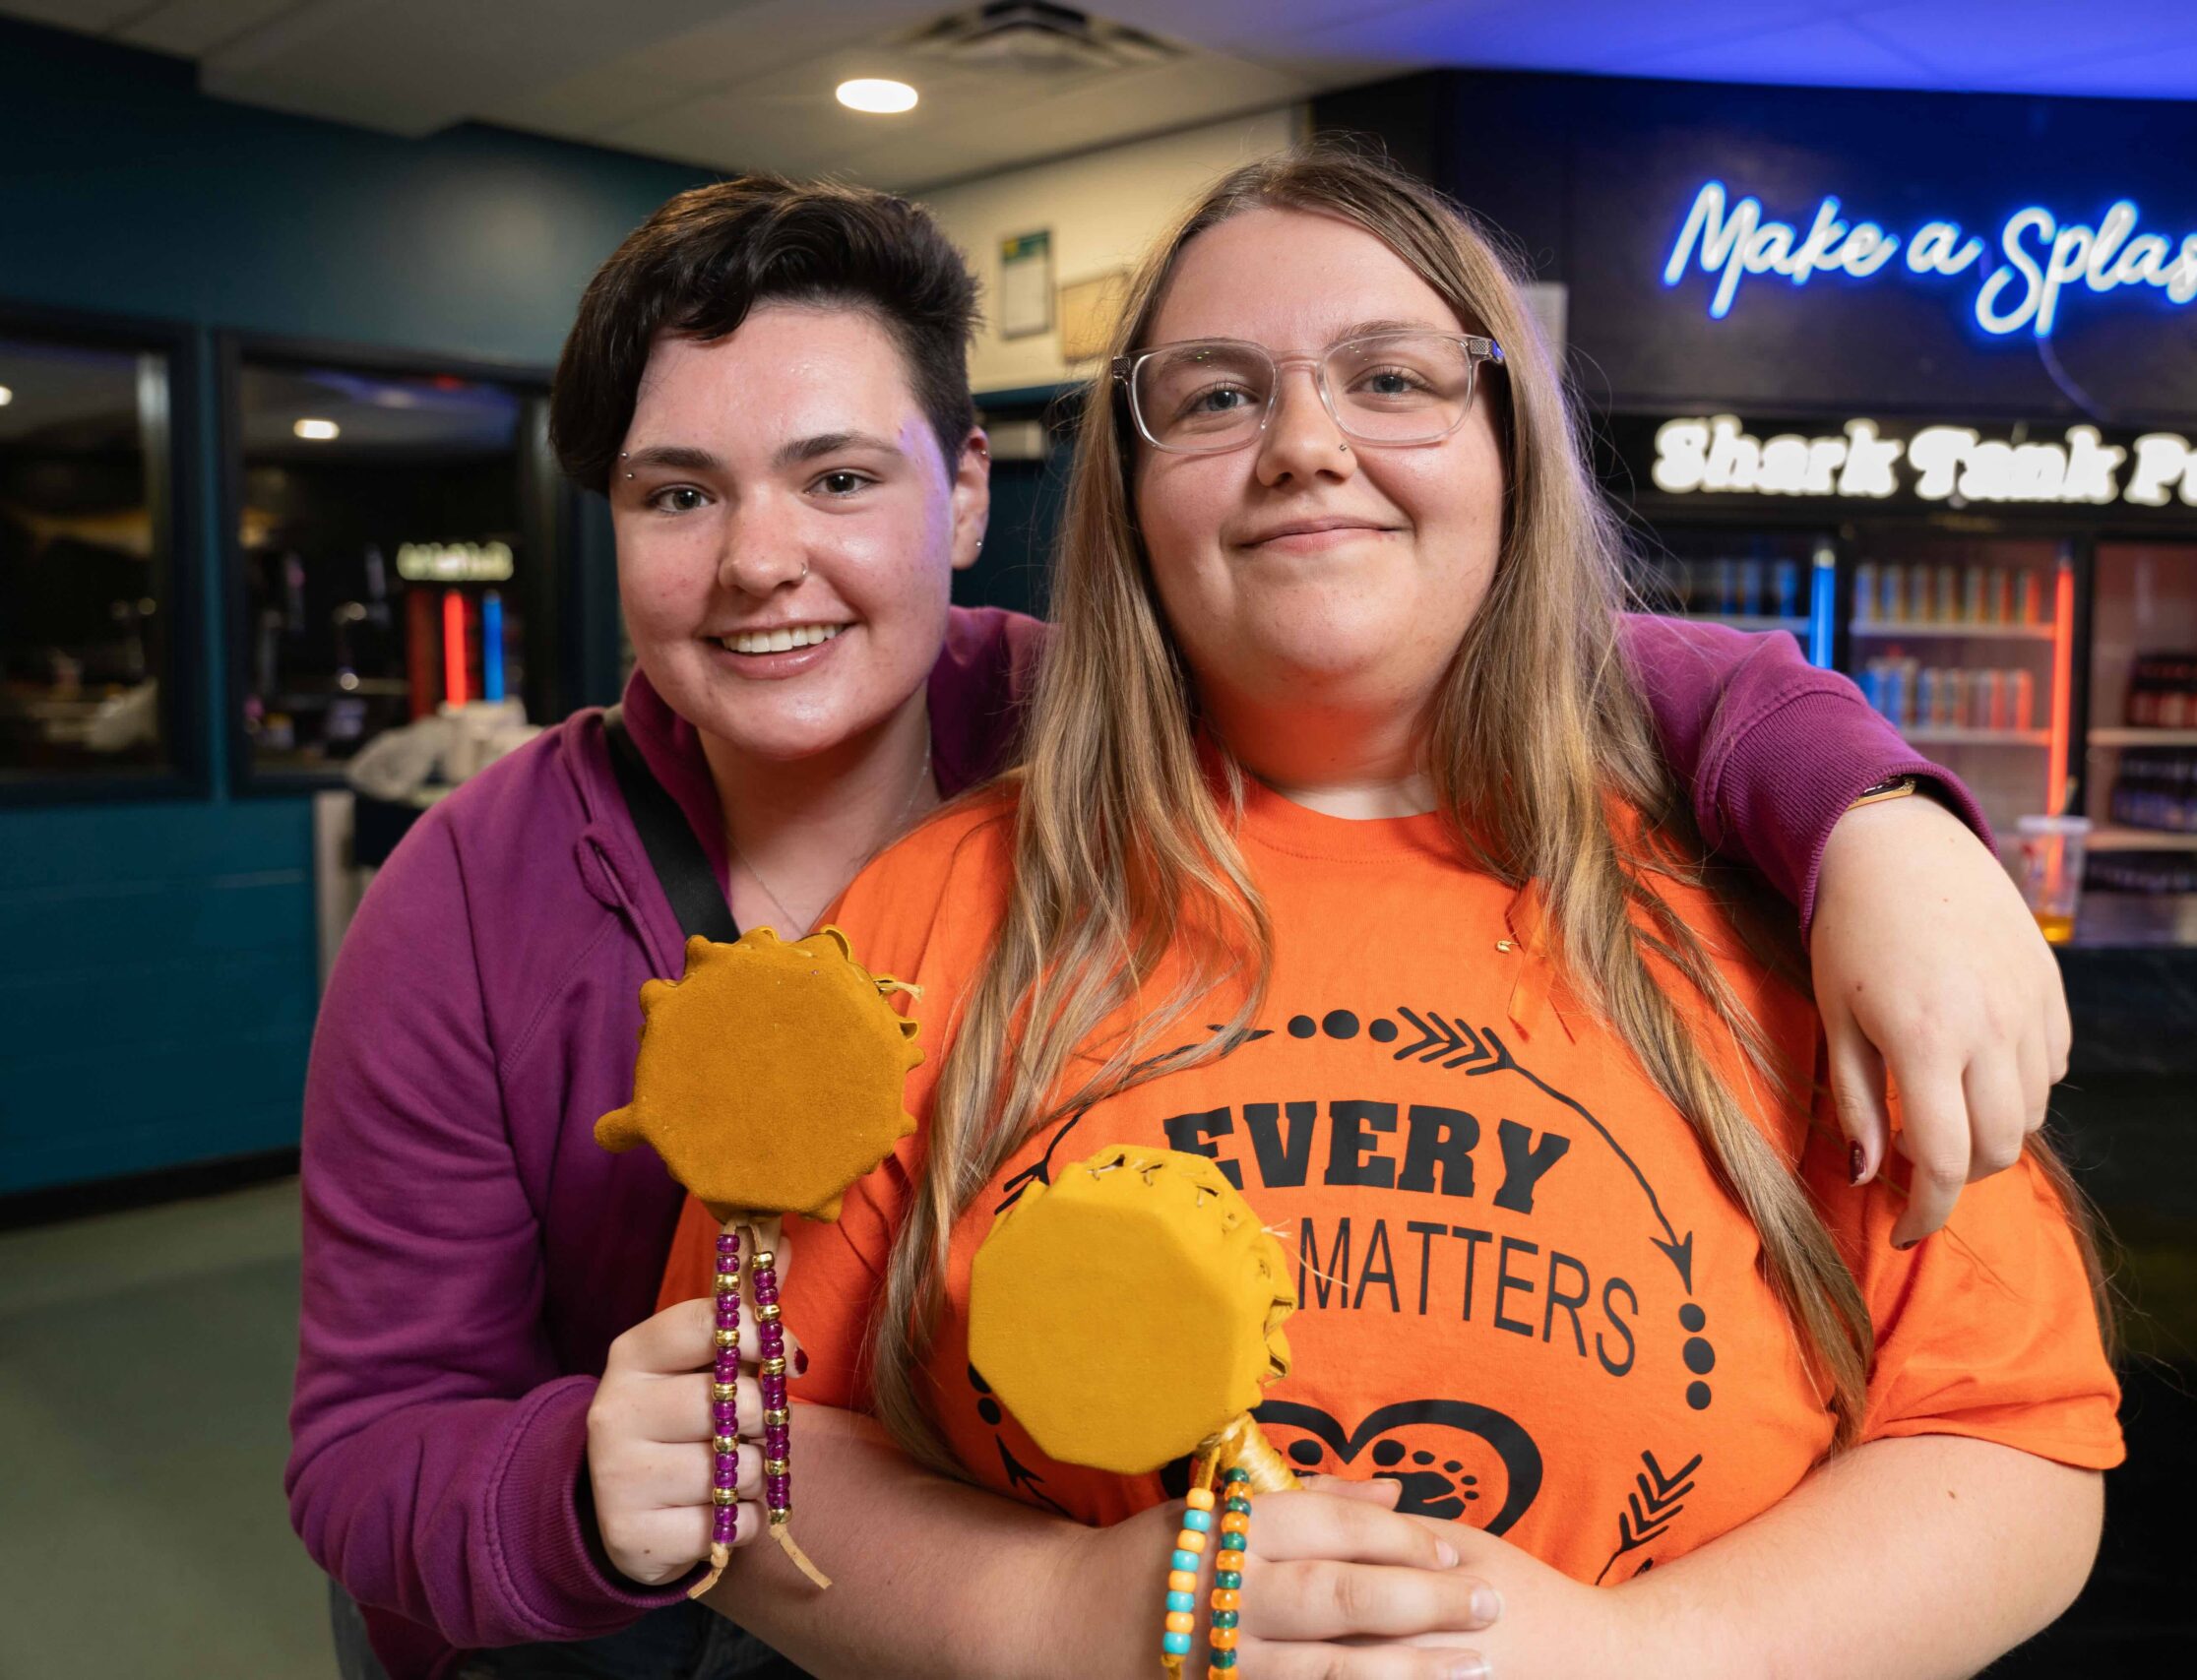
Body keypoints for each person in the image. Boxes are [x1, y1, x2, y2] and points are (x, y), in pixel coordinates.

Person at [290, 170, 2069, 1680]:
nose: (1306, 446)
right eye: (681, 493)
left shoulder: (1758, 889)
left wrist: (1875, 816)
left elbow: (2008, 1437)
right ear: (1135, 501)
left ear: (970, 495)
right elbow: (424, 1448)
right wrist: (616, 1497)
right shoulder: (538, 900)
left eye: (839, 478)